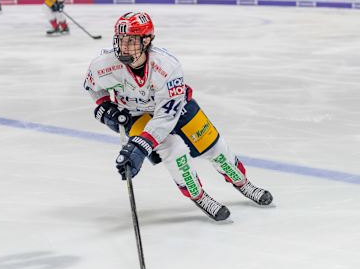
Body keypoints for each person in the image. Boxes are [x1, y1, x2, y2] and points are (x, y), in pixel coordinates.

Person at [83, 12, 273, 222]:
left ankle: (242, 182)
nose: (123, 47)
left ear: (146, 41)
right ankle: (199, 196)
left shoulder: (167, 66)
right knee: (173, 151)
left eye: (130, 41)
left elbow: (166, 115)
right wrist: (105, 107)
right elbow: (92, 87)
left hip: (174, 108)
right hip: (135, 115)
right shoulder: (103, 65)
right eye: (120, 40)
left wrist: (141, 145)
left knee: (214, 148)